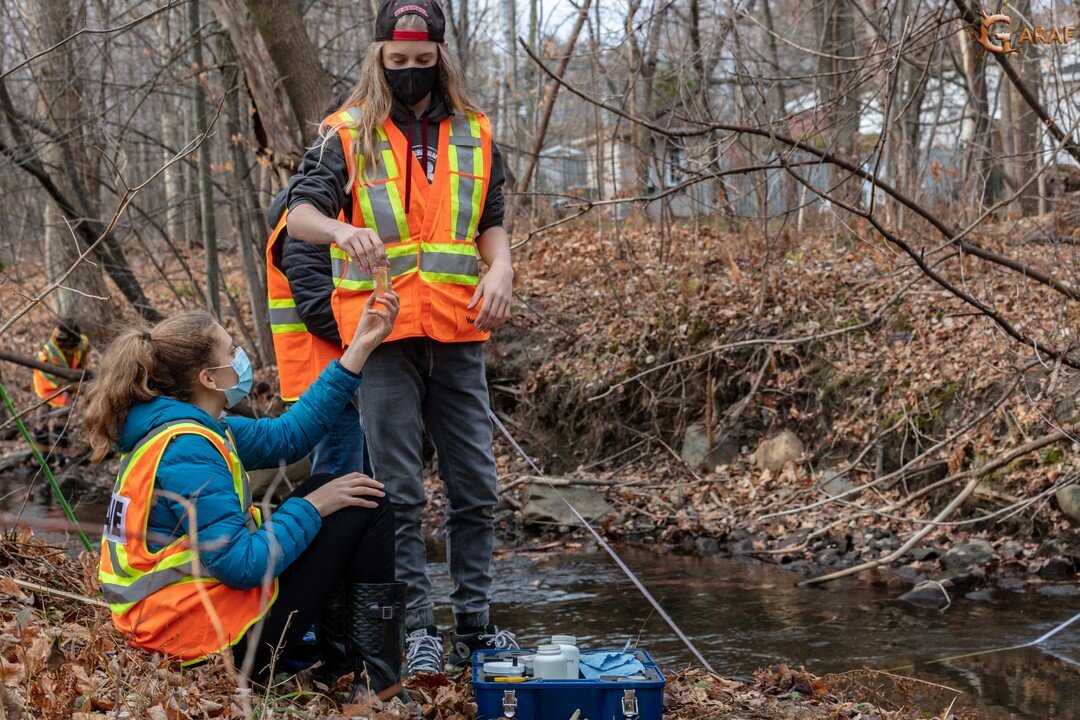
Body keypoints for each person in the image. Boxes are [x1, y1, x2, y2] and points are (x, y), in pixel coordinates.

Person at [286, 0, 515, 675]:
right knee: (399, 490)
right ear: (379, 56)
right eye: (398, 60)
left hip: (459, 331)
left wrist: (501, 266)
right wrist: (339, 230)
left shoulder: (476, 131)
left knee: (475, 484)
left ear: (441, 57)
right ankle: (417, 628)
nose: (411, 72)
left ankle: (474, 620)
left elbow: (491, 220)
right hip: (382, 334)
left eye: (423, 60)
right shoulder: (345, 132)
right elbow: (298, 214)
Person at [83, 293, 406, 696]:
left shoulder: (195, 428)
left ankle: (340, 664)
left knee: (333, 488)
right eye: (231, 348)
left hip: (178, 626)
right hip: (201, 644)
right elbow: (242, 565)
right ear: (208, 378)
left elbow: (289, 436)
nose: (240, 355)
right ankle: (377, 684)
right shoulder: (188, 448)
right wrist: (310, 507)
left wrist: (359, 347)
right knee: (365, 505)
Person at [266, 91, 371, 479]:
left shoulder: (341, 214)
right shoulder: (307, 225)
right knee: (343, 487)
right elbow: (315, 307)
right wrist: (376, 338)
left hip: (342, 375)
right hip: (326, 381)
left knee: (359, 488)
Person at [32, 318, 90, 409]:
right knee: (59, 408)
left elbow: (82, 364)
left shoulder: (82, 344)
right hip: (48, 388)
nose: (58, 341)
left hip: (70, 381)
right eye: (57, 338)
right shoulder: (47, 354)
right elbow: (56, 379)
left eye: (61, 339)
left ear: (71, 338)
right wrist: (76, 387)